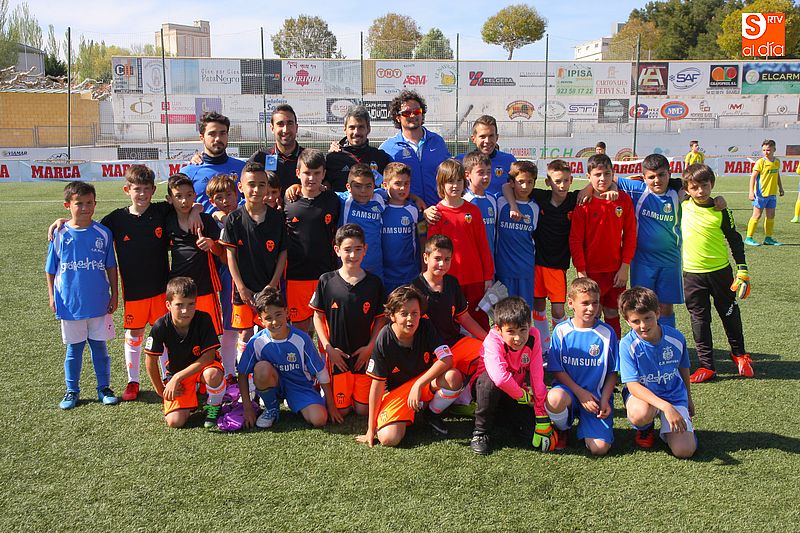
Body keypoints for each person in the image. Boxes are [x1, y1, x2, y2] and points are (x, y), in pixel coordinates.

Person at [99, 165, 198, 402]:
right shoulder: (116, 219)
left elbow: (185, 203)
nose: (142, 194)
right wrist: (64, 221)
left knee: (164, 333)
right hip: (134, 292)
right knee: (134, 334)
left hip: (162, 289)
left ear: (153, 190)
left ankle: (167, 375)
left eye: (146, 189)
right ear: (127, 190)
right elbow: (91, 229)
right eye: (136, 189)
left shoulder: (161, 211)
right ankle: (133, 381)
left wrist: (196, 210)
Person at [359, 286, 463, 447]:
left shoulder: (425, 326)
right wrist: (370, 429)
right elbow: (377, 386)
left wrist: (419, 384)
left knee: (453, 377)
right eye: (404, 313)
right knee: (388, 439)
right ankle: (412, 412)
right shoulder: (384, 339)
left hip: (422, 385)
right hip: (397, 394)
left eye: (415, 313)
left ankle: (430, 413)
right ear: (392, 316)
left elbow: (447, 358)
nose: (410, 319)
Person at [46, 181, 119, 409]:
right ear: (68, 205)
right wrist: (51, 296)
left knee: (100, 347)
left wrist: (115, 294)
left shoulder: (103, 233)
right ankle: (72, 390)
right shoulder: (59, 234)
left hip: (98, 302)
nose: (85, 208)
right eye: (79, 204)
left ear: (95, 203)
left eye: (89, 203)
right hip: (70, 303)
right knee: (74, 349)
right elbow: (51, 269)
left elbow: (111, 267)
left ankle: (104, 388)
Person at [681, 164, 752, 383]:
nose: (701, 191)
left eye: (705, 185)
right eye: (695, 187)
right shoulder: (681, 205)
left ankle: (739, 354)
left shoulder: (722, 211)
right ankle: (707, 365)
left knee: (729, 313)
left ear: (712, 184)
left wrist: (742, 269)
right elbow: (667, 182)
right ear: (687, 189)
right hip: (691, 274)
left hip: (721, 273)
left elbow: (735, 240)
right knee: (700, 320)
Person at [238, 287, 342, 429]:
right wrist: (247, 407)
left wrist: (331, 405)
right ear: (261, 320)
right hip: (273, 382)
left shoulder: (301, 339)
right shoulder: (257, 342)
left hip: (299, 386)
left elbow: (321, 371)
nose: (274, 322)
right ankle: (272, 407)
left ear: (287, 312)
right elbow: (243, 373)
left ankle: (297, 402)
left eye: (278, 314)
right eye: (268, 318)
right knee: (261, 368)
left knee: (319, 419)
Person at [310, 224, 386, 417]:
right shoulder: (326, 280)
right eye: (347, 250)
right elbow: (317, 316)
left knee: (363, 410)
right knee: (341, 410)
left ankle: (372, 389)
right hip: (338, 356)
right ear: (337, 250)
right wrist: (328, 348)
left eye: (358, 249)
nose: (353, 255)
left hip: (364, 356)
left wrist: (370, 347)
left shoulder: (374, 283)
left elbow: (380, 319)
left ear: (365, 250)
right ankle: (326, 390)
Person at [469, 296, 555, 456]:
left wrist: (541, 415)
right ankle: (480, 432)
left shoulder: (534, 336)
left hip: (514, 393)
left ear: (529, 325)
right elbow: (499, 378)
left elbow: (537, 377)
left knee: (529, 432)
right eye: (511, 331)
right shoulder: (492, 340)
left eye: (523, 330)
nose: (518, 338)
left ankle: (499, 417)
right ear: (498, 329)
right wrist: (523, 396)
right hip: (487, 390)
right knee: (489, 383)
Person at [219, 162, 287, 359]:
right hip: (244, 291)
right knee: (245, 334)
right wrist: (240, 287)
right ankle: (245, 380)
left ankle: (271, 378)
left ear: (267, 187)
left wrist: (272, 284)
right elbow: (230, 255)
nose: (256, 189)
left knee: (273, 330)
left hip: (269, 288)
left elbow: (282, 253)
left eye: (261, 184)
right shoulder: (234, 219)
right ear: (240, 187)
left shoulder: (276, 218)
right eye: (251, 184)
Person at [619, 287, 697, 458]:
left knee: (685, 451)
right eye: (636, 321)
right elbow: (632, 385)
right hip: (645, 398)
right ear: (627, 321)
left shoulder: (676, 338)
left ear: (658, 313)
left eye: (648, 318)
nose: (643, 325)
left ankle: (670, 428)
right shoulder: (627, 345)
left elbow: (683, 367)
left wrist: (688, 399)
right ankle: (646, 428)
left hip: (673, 395)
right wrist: (665, 406)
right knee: (640, 414)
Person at [544, 278, 618, 455]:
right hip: (569, 392)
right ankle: (563, 427)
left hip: (596, 397)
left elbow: (612, 372)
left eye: (595, 303)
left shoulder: (607, 333)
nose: (591, 308)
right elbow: (556, 369)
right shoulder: (561, 331)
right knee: (554, 398)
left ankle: (588, 427)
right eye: (585, 303)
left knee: (599, 449)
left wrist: (606, 399)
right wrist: (580, 392)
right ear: (571, 303)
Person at [143, 277, 226, 429]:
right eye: (179, 305)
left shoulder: (204, 319)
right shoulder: (160, 325)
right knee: (175, 422)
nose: (185, 311)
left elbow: (208, 357)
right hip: (178, 371)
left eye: (190, 304)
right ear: (168, 305)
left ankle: (215, 404)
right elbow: (150, 359)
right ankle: (192, 397)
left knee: (212, 375)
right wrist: (160, 390)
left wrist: (177, 377)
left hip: (202, 369)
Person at [569, 154, 636, 338]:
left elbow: (630, 235)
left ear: (613, 174)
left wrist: (624, 267)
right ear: (588, 176)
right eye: (597, 174)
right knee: (592, 314)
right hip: (591, 272)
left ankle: (613, 354)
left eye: (607, 174)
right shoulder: (583, 204)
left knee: (613, 313)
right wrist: (581, 271)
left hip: (615, 271)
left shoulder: (623, 200)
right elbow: (575, 240)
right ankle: (592, 355)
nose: (602, 179)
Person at [412, 235, 487, 395]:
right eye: (437, 258)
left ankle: (468, 395)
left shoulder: (452, 282)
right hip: (431, 352)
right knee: (452, 377)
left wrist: (488, 339)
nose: (442, 264)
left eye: (447, 259)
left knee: (490, 355)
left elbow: (464, 317)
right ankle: (435, 407)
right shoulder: (414, 289)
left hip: (454, 343)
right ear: (426, 257)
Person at [427, 159, 494, 330]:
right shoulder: (436, 213)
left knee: (479, 319)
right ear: (441, 183)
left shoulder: (473, 211)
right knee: (450, 322)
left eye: (458, 180)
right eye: (450, 181)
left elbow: (483, 245)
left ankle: (484, 354)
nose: (455, 185)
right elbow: (433, 251)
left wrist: (487, 276)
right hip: (449, 278)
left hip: (474, 277)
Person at [284, 149, 340, 333]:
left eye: (317, 173)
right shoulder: (288, 203)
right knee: (300, 329)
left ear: (324, 174)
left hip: (326, 275)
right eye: (307, 172)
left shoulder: (332, 199)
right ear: (298, 173)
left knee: (326, 329)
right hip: (296, 276)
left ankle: (324, 363)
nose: (312, 178)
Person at [164, 174, 224, 336]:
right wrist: (197, 208)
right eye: (178, 196)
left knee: (209, 333)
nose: (184, 201)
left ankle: (211, 362)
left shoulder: (206, 220)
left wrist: (211, 245)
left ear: (194, 195)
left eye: (189, 195)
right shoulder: (166, 220)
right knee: (180, 333)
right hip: (177, 287)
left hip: (204, 285)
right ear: (170, 199)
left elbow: (222, 253)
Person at [379, 90, 451, 207]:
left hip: (438, 212)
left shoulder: (437, 141)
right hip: (406, 216)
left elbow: (450, 175)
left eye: (417, 111)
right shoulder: (388, 148)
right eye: (407, 113)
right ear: (398, 117)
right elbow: (381, 185)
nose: (413, 115)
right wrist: (413, 198)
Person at [206, 174, 241, 381]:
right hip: (227, 277)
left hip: (252, 275)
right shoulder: (211, 220)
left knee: (250, 325)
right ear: (212, 201)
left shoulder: (245, 213)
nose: (226, 201)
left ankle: (246, 365)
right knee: (230, 323)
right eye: (220, 197)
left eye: (229, 195)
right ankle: (229, 371)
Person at [495, 161, 539, 310]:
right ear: (512, 183)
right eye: (520, 182)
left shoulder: (535, 208)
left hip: (525, 269)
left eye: (529, 182)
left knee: (525, 312)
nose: (525, 186)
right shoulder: (500, 202)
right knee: (502, 313)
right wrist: (513, 206)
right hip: (503, 269)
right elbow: (504, 186)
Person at [182, 111, 245, 213]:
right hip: (202, 229)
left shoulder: (243, 168)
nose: (218, 139)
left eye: (222, 133)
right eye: (212, 134)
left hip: (236, 228)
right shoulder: (188, 172)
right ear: (202, 137)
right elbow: (179, 205)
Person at [336, 164, 387, 280]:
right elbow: (318, 191)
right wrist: (296, 186)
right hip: (349, 270)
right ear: (348, 187)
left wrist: (416, 199)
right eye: (358, 186)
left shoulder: (380, 197)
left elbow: (396, 192)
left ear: (374, 186)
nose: (363, 191)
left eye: (368, 186)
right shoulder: (342, 199)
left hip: (375, 269)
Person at [326, 105, 393, 192]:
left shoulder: (380, 157)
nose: (356, 132)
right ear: (345, 129)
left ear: (368, 129)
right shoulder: (333, 159)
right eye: (352, 127)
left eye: (361, 127)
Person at [381, 162, 421, 294]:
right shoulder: (379, 208)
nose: (402, 188)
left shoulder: (414, 209)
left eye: (406, 183)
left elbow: (422, 238)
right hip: (385, 275)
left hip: (409, 274)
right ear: (385, 185)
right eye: (397, 183)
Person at [247, 104, 304, 191]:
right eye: (280, 124)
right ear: (272, 128)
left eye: (290, 123)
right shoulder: (261, 157)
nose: (286, 130)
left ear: (296, 127)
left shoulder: (307, 157)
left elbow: (324, 186)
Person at [455, 115, 516, 196]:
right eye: (482, 136)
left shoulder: (509, 160)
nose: (487, 141)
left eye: (491, 136)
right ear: (473, 139)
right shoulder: (460, 161)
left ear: (497, 137)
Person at [746, 139, 785, 246]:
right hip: (760, 194)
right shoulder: (761, 162)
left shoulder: (777, 161)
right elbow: (753, 177)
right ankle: (749, 238)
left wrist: (780, 188)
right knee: (757, 215)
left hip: (772, 194)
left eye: (768, 150)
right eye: (764, 150)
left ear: (774, 149)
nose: (765, 152)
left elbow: (777, 175)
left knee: (771, 215)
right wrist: (751, 192)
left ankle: (768, 238)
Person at [462, 150, 498, 256]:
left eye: (488, 172)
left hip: (489, 261)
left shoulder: (492, 200)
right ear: (467, 175)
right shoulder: (463, 200)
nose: (486, 176)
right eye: (481, 173)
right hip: (470, 260)